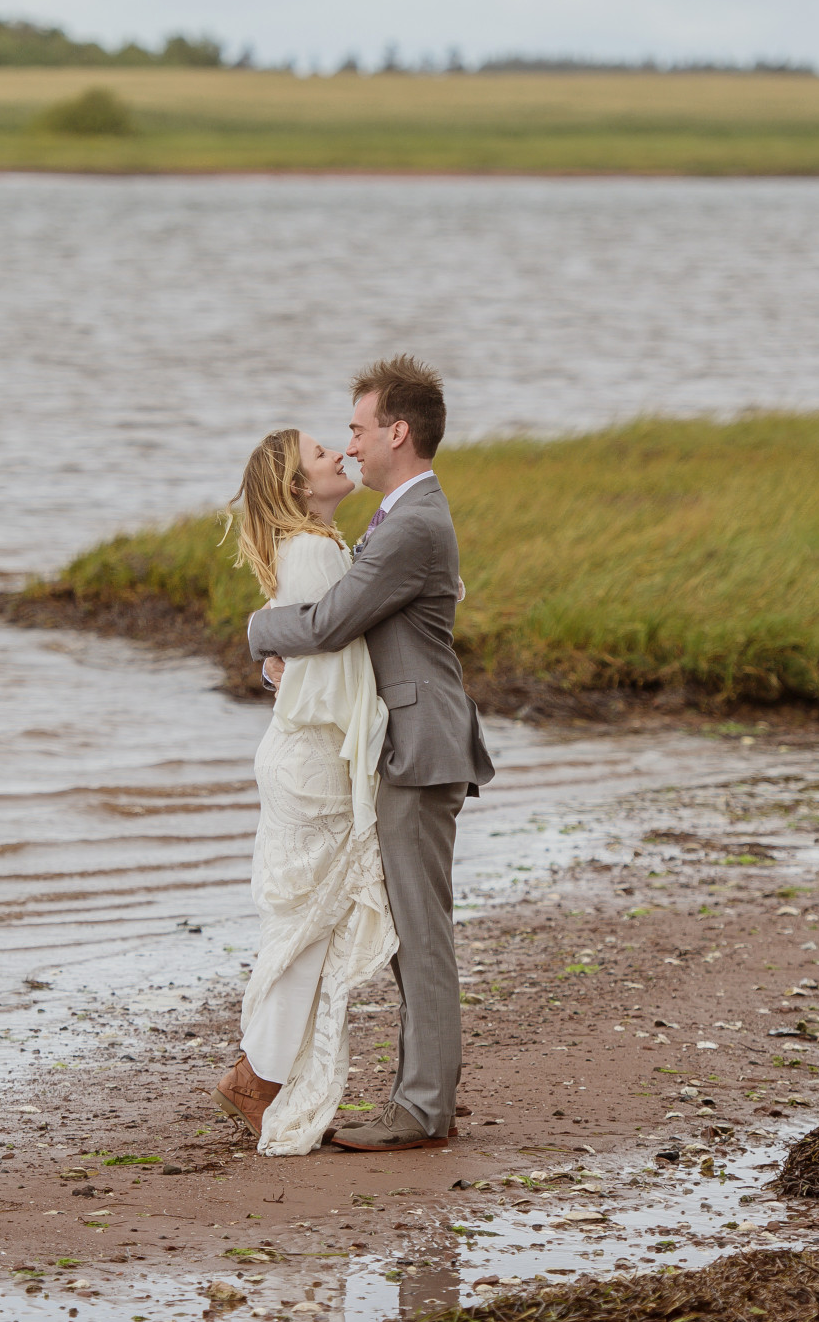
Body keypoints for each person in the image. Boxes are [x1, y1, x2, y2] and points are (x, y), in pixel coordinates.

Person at [246, 355, 493, 1152]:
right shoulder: (397, 515)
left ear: (397, 430)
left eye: (355, 428)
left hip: (420, 745)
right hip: (412, 740)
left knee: (419, 931)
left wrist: (256, 630)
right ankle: (424, 1097)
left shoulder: (413, 523)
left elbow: (325, 624)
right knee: (412, 926)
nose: (348, 446)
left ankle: (422, 1107)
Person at [211, 428, 397, 1156]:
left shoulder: (308, 548)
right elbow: (331, 666)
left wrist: (277, 666)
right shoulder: (316, 550)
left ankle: (257, 1074)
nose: (341, 457)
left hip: (300, 753)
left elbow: (307, 654)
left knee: (306, 926)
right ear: (296, 485)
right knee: (308, 928)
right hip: (314, 758)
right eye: (324, 454)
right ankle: (255, 1078)